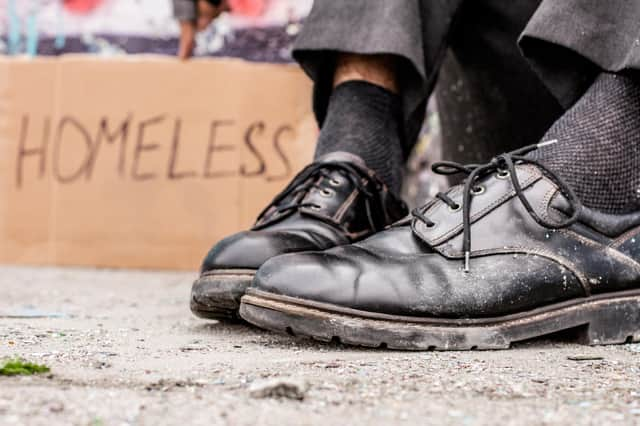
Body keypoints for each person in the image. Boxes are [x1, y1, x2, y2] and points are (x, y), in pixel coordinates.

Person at [192, 0, 640, 350]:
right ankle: (361, 155)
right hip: (541, 88)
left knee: (605, 155)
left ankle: (605, 169)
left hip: (605, 156)